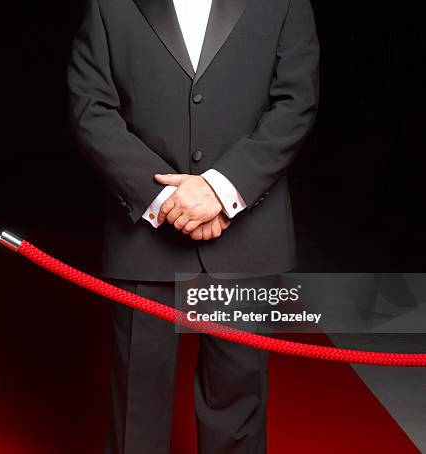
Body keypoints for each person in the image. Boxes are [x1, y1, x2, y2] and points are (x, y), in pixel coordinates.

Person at [68, 0, 319, 452]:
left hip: (247, 235)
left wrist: (222, 190)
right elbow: (91, 109)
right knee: (135, 409)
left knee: (238, 402)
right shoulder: (110, 4)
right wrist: (167, 198)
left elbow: (296, 102)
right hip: (144, 239)